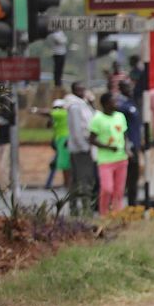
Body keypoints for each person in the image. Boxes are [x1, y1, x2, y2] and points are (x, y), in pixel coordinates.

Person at [88, 92, 129, 216]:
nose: (116, 104)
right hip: (105, 160)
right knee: (107, 189)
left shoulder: (120, 116)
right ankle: (104, 214)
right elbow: (91, 139)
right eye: (113, 102)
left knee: (119, 190)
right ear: (105, 104)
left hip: (121, 158)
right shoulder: (98, 119)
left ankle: (117, 214)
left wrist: (127, 149)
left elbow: (124, 134)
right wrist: (107, 147)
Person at [65, 82, 95, 217]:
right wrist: (85, 147)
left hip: (82, 147)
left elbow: (94, 117)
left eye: (83, 89)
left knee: (77, 180)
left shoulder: (83, 104)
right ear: (73, 91)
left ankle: (75, 209)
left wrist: (91, 102)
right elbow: (77, 130)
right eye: (79, 90)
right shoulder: (75, 107)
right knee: (84, 180)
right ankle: (85, 209)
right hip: (81, 149)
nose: (82, 92)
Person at [115, 80, 143, 207]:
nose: (130, 89)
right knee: (128, 175)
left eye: (131, 86)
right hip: (128, 145)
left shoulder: (132, 102)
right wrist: (127, 145)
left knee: (134, 175)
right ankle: (123, 204)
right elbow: (121, 128)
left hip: (135, 144)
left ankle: (133, 203)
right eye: (127, 87)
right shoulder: (120, 105)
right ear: (121, 88)